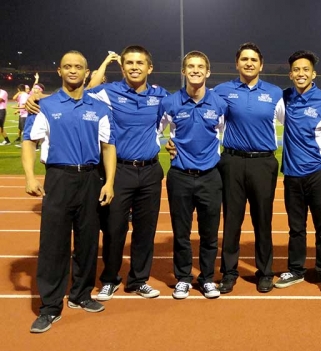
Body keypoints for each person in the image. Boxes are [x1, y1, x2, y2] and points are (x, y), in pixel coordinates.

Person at [23, 50, 116, 333]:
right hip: (59, 178)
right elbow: (29, 140)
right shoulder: (45, 105)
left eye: (78, 67)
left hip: (90, 179)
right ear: (60, 72)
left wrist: (109, 181)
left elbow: (108, 146)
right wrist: (30, 176)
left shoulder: (100, 108)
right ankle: (50, 307)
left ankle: (81, 295)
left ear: (87, 72)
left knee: (88, 242)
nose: (73, 71)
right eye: (67, 66)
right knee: (53, 245)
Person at [86, 47, 168, 300]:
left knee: (145, 230)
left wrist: (174, 142)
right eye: (129, 63)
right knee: (114, 228)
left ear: (149, 68)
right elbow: (81, 93)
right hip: (118, 170)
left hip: (151, 170)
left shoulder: (160, 95)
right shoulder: (108, 92)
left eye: (139, 63)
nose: (134, 67)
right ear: (122, 68)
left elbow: (186, 108)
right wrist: (38, 102)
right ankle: (110, 278)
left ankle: (138, 279)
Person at [213, 43, 284, 294]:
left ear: (261, 64)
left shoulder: (276, 93)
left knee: (262, 220)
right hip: (232, 161)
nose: (249, 63)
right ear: (237, 63)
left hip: (263, 163)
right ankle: (229, 272)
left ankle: (265, 272)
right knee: (232, 220)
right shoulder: (222, 91)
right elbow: (206, 118)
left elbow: (293, 124)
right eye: (244, 59)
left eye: (254, 59)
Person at [158, 51, 227, 299]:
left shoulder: (219, 103)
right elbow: (155, 130)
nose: (195, 70)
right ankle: (184, 278)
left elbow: (222, 133)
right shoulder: (170, 102)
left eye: (200, 66)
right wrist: (167, 142)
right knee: (181, 231)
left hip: (210, 175)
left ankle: (207, 277)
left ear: (208, 72)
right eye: (190, 66)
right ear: (184, 71)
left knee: (209, 232)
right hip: (180, 176)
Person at [273, 50, 321, 295]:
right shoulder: (284, 98)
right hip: (291, 174)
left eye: (305, 70)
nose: (301, 74)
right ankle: (296, 270)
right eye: (296, 70)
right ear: (290, 74)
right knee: (296, 227)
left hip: (318, 173)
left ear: (314, 74)